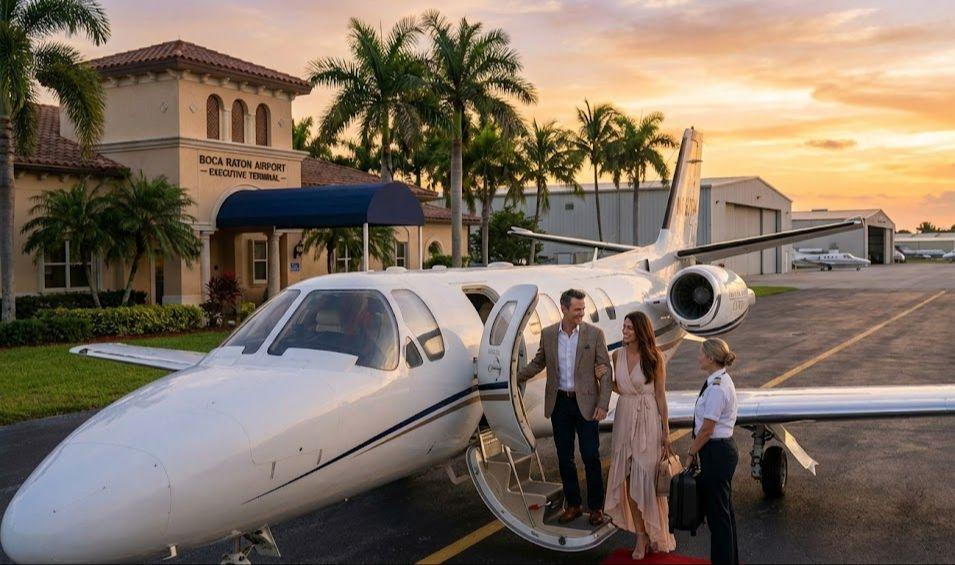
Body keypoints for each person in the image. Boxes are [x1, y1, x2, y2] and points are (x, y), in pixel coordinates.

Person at [516, 288, 613, 525]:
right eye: (577, 309)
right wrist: (513, 378)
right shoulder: (549, 334)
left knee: (590, 456)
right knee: (564, 457)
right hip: (560, 403)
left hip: (587, 403)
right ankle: (574, 505)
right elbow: (538, 363)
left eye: (583, 309)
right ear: (564, 308)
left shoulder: (594, 334)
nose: (581, 313)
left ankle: (596, 508)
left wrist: (603, 404)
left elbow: (605, 371)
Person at [604, 311, 676, 559]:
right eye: (624, 327)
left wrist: (666, 431)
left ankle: (655, 531)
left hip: (648, 419)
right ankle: (640, 536)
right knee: (627, 476)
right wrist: (603, 379)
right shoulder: (617, 355)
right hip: (624, 417)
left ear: (640, 331)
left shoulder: (655, 357)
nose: (624, 331)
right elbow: (621, 386)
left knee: (646, 478)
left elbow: (660, 396)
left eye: (629, 328)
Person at [686, 338, 740, 565]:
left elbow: (708, 428)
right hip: (719, 451)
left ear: (710, 357)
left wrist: (691, 452)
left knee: (718, 516)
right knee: (723, 512)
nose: (698, 357)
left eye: (701, 353)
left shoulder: (717, 387)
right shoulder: (719, 380)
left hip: (717, 452)